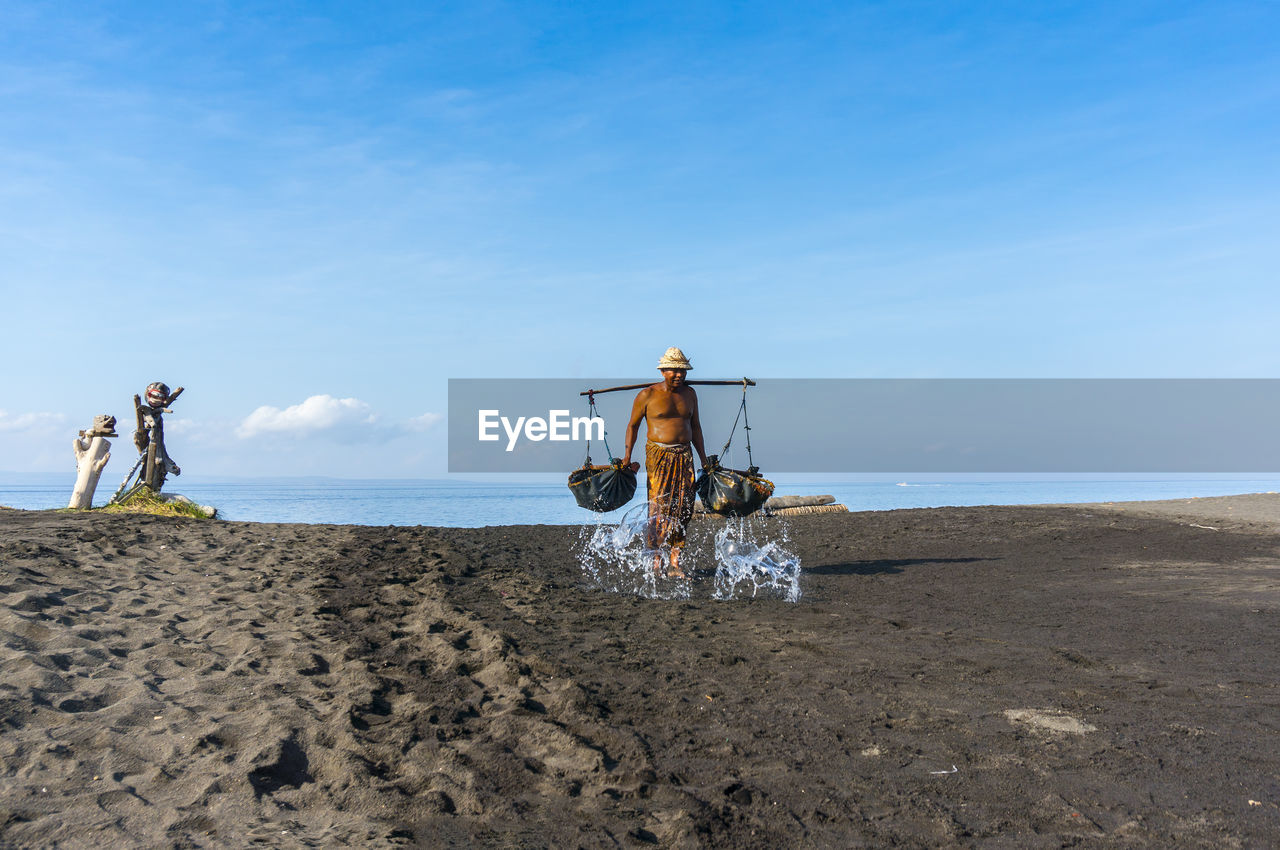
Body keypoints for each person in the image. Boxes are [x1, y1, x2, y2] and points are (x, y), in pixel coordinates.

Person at [620, 347, 710, 578]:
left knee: (684, 508)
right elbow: (633, 425)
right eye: (674, 370)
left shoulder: (690, 394)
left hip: (685, 455)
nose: (679, 375)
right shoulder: (647, 395)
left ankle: (675, 562)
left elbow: (696, 426)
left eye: (682, 371)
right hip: (658, 455)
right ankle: (656, 561)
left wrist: (703, 458)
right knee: (659, 508)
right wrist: (627, 457)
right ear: (663, 371)